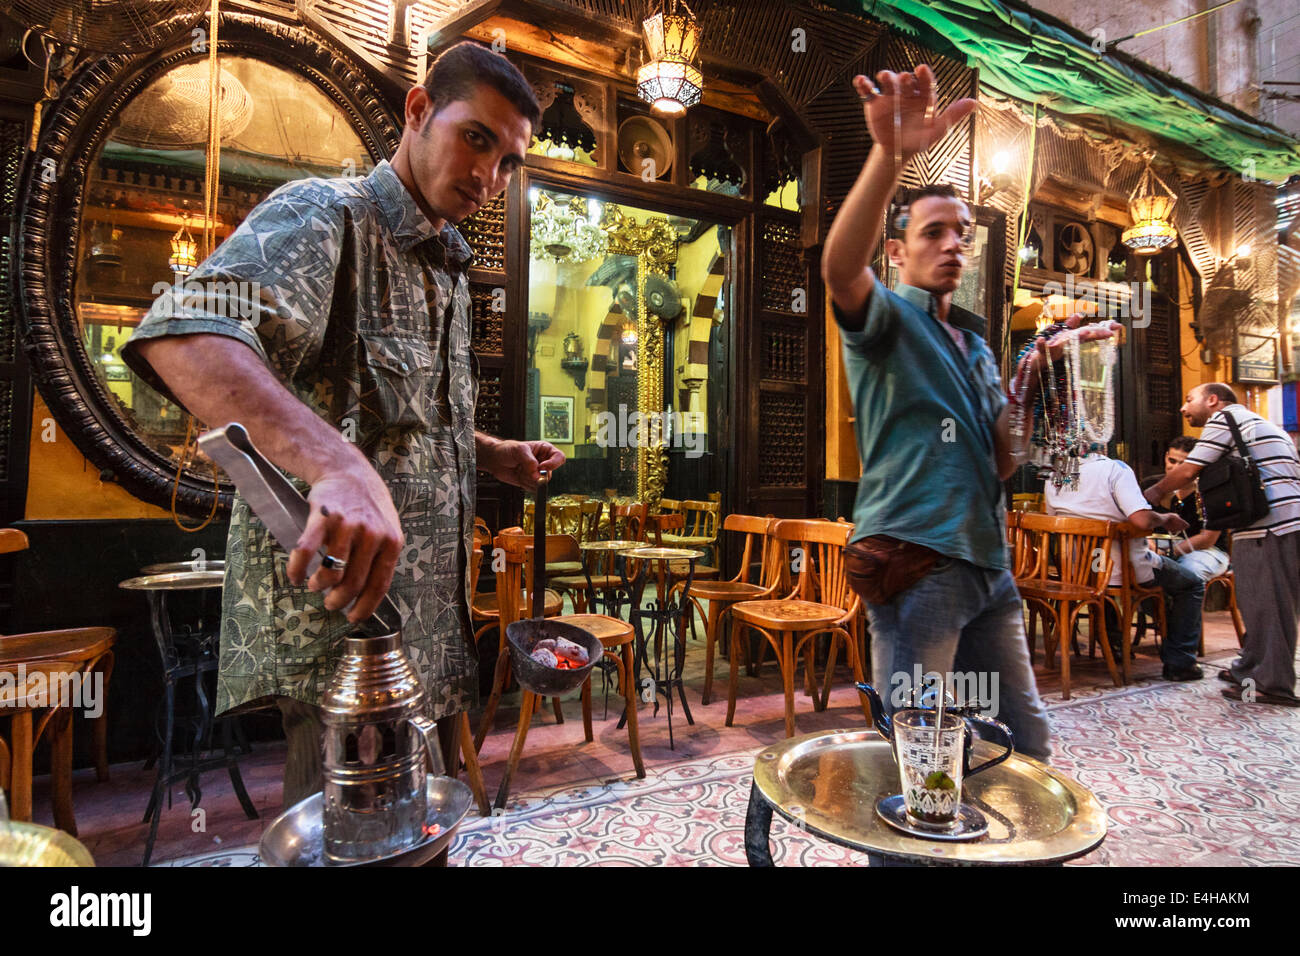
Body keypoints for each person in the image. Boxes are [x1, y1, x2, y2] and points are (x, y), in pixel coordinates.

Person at [123, 42, 566, 804]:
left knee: (423, 843)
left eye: (508, 163)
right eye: (476, 138)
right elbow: (182, 334)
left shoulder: (445, 268)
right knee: (350, 849)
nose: (489, 178)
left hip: (428, 634)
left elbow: (407, 424)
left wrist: (493, 455)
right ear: (419, 111)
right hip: (347, 647)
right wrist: (334, 464)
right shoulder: (328, 216)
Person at [820, 66, 1123, 762]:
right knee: (920, 757)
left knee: (1029, 742)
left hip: (989, 566)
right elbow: (840, 268)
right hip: (920, 562)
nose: (952, 243)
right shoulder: (886, 320)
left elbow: (1005, 456)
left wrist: (1037, 371)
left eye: (961, 232)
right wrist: (889, 156)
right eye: (932, 233)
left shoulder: (980, 344)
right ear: (896, 252)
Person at [1144, 383, 1300, 707]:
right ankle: (1249, 669)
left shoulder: (1225, 419)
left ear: (1213, 400)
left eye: (1189, 400)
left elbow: (1189, 469)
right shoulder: (1259, 424)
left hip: (1271, 525)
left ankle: (1273, 684)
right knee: (1257, 602)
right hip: (1271, 523)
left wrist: (1152, 494)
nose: (1184, 409)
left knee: (1268, 605)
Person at [1045, 448, 1202, 681]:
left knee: (1104, 583)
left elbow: (1052, 521)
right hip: (1124, 569)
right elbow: (1141, 518)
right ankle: (1180, 663)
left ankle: (1115, 643)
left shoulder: (1055, 476)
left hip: (1081, 572)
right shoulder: (1115, 470)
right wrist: (1165, 519)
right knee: (1192, 585)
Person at [1153, 435, 1230, 581]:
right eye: (1172, 461)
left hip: (1207, 551)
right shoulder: (1152, 485)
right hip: (1159, 546)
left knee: (1188, 572)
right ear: (1165, 456)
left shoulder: (1212, 490)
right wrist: (1150, 546)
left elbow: (1207, 539)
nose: (1175, 468)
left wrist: (1170, 553)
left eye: (1183, 464)